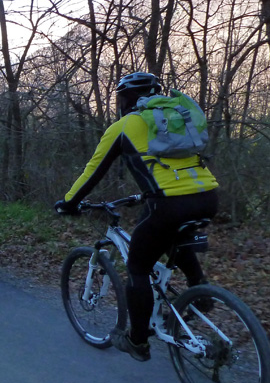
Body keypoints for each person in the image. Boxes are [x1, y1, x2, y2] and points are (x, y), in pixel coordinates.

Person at [55, 72, 219, 362]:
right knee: (171, 240)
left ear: (127, 99)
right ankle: (200, 294)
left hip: (168, 204)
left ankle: (138, 341)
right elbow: (170, 167)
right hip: (207, 197)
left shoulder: (127, 124)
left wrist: (69, 203)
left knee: (138, 267)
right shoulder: (175, 118)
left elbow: (93, 172)